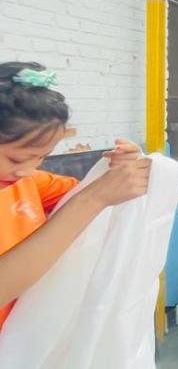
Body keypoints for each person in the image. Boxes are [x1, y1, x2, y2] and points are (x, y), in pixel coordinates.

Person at [0, 61, 152, 332]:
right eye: (16, 159)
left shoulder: (23, 181)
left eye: (41, 158)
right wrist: (94, 198)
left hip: (26, 335)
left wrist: (118, 168)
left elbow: (84, 195)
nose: (28, 170)